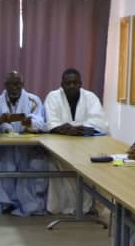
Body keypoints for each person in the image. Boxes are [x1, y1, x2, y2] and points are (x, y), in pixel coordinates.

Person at [0, 70, 49, 215]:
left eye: (17, 84)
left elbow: (42, 124)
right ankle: (4, 204)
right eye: (11, 84)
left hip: (28, 149)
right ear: (5, 85)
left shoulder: (34, 100)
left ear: (23, 84)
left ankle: (30, 206)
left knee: (35, 168)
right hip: (4, 149)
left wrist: (28, 122)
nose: (14, 87)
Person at [44, 68, 109, 215]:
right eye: (68, 83)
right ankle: (64, 207)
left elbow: (99, 123)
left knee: (90, 170)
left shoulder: (90, 97)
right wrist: (72, 129)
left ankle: (87, 207)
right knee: (60, 170)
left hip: (86, 146)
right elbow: (51, 123)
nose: (72, 86)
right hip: (59, 146)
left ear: (81, 83)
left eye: (75, 83)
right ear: (62, 84)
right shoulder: (53, 97)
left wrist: (71, 128)